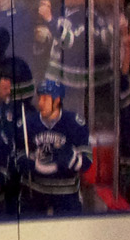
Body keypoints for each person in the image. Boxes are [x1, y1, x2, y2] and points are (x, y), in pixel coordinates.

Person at [16, 78, 92, 216]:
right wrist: (26, 162)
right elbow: (17, 155)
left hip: (66, 195)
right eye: (39, 98)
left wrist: (70, 158)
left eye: (45, 99)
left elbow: (87, 162)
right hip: (34, 194)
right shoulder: (27, 123)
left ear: (57, 100)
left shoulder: (74, 123)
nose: (40, 103)